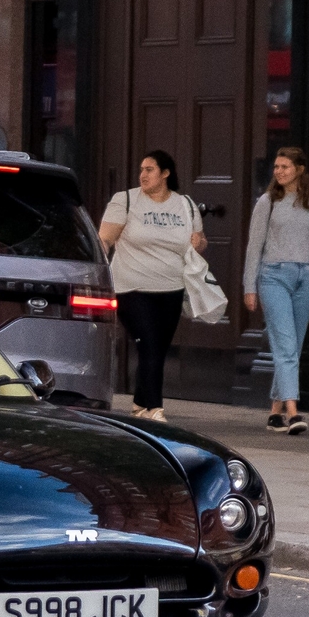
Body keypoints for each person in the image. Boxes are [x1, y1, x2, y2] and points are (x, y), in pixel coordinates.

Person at [97, 150, 205, 421]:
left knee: (156, 348)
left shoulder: (185, 204)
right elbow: (104, 239)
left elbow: (200, 242)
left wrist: (199, 244)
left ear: (165, 173)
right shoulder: (126, 200)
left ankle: (139, 405)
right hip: (131, 287)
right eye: (141, 169)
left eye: (150, 170)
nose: (142, 175)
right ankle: (155, 408)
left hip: (171, 287)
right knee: (149, 344)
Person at [241, 146, 309, 435]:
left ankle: (274, 411)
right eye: (276, 167)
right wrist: (250, 286)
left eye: (285, 167)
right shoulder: (267, 201)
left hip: (304, 278)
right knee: (285, 346)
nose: (279, 171)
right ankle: (293, 412)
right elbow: (254, 246)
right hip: (273, 276)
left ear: (299, 170)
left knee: (292, 346)